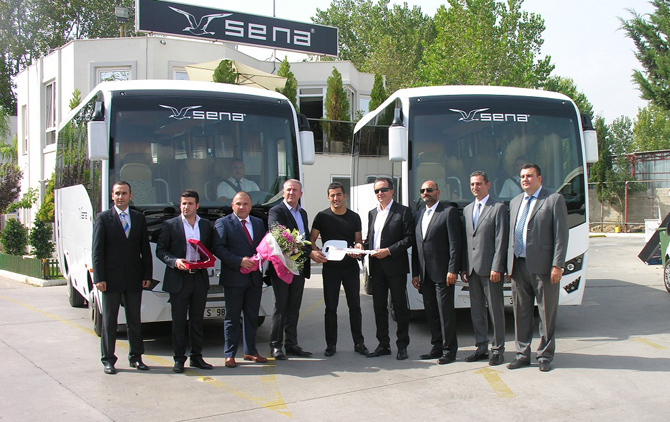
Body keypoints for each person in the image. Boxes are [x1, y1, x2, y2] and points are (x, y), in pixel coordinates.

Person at [507, 163, 568, 372]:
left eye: (530, 176)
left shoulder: (553, 200)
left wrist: (557, 265)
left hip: (544, 267)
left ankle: (544, 356)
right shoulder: (515, 202)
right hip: (518, 266)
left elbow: (561, 235)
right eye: (522, 176)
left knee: (546, 313)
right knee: (520, 313)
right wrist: (508, 265)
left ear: (539, 179)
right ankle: (522, 354)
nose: (525, 179)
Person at [92, 181, 153, 375]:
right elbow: (97, 251)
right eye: (117, 193)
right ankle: (108, 360)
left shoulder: (138, 218)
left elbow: (145, 249)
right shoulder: (103, 218)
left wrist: (147, 274)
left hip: (134, 277)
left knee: (134, 320)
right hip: (110, 279)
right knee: (109, 321)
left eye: (124, 193)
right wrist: (99, 277)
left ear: (130, 196)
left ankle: (136, 358)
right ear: (112, 196)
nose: (121, 197)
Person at [156, 189, 214, 373]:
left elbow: (211, 248)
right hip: (178, 279)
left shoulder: (205, 225)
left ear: (197, 206)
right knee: (179, 321)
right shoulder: (170, 225)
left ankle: (197, 357)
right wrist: (175, 261)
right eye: (183, 203)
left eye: (190, 203)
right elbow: (161, 250)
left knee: (197, 321)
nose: (186, 207)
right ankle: (179, 359)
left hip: (199, 278)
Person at [310, 182, 369, 357]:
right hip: (330, 269)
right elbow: (311, 239)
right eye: (332, 195)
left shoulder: (354, 217)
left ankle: (359, 343)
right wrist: (316, 252)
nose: (336, 198)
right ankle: (331, 345)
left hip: (350, 267)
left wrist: (358, 248)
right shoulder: (321, 217)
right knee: (330, 308)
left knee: (355, 306)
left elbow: (358, 241)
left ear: (344, 196)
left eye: (338, 194)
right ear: (328, 197)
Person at [212, 191, 269, 368]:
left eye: (245, 204)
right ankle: (229, 354)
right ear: (232, 206)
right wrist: (238, 261)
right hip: (234, 278)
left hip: (254, 278)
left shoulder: (258, 223)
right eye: (238, 204)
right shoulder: (223, 223)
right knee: (232, 317)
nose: (242, 207)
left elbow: (263, 246)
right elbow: (218, 248)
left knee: (252, 317)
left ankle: (250, 351)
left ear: (251, 206)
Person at [268, 179, 322, 360]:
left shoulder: (303, 213)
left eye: (295, 190)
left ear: (301, 194)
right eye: (288, 190)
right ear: (283, 193)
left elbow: (304, 238)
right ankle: (276, 346)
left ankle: (291, 344)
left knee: (294, 308)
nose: (291, 193)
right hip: (282, 267)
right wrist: (310, 253)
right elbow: (282, 239)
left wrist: (314, 250)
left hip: (299, 266)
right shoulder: (276, 211)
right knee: (280, 307)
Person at [364, 177, 415, 360]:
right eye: (377, 191)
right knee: (379, 308)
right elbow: (371, 239)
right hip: (376, 267)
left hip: (395, 267)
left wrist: (389, 251)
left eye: (384, 190)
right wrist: (361, 248)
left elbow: (409, 238)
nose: (380, 193)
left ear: (392, 191)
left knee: (400, 308)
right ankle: (383, 345)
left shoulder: (403, 211)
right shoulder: (372, 213)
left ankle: (402, 345)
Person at [411, 180, 462, 365]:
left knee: (445, 313)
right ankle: (437, 347)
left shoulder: (448, 212)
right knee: (431, 312)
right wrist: (415, 273)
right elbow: (417, 246)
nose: (426, 193)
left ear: (438, 192)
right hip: (425, 274)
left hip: (443, 273)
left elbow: (455, 244)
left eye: (429, 190)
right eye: (423, 190)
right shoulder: (418, 214)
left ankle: (449, 350)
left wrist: (452, 269)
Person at [461, 171, 508, 366]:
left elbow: (501, 240)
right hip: (472, 270)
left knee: (495, 311)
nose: (475, 187)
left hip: (490, 270)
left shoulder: (498, 208)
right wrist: (464, 267)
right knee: (477, 311)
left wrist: (497, 267)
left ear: (487, 185)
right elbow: (466, 241)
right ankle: (481, 347)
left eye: (479, 184)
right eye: (472, 184)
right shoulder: (467, 209)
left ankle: (498, 349)